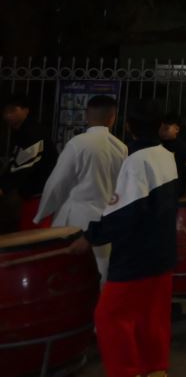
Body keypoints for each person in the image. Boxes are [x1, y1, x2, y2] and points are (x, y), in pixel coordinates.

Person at [70, 98, 178, 377]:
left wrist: (90, 236)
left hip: (136, 257)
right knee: (152, 317)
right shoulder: (166, 155)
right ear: (160, 126)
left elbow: (124, 214)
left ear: (128, 126)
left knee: (109, 317)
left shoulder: (137, 161)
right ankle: (154, 370)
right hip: (162, 252)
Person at [34, 94, 127, 281]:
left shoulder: (78, 143)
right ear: (112, 117)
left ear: (87, 116)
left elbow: (57, 183)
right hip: (103, 221)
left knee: (68, 273)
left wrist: (42, 213)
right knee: (100, 272)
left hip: (75, 220)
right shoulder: (121, 148)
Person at [0, 93, 58, 232]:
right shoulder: (22, 131)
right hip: (33, 193)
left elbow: (23, 166)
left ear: (26, 110)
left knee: (34, 233)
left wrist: (3, 187)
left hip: (39, 195)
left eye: (12, 110)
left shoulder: (32, 133)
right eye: (5, 112)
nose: (8, 115)